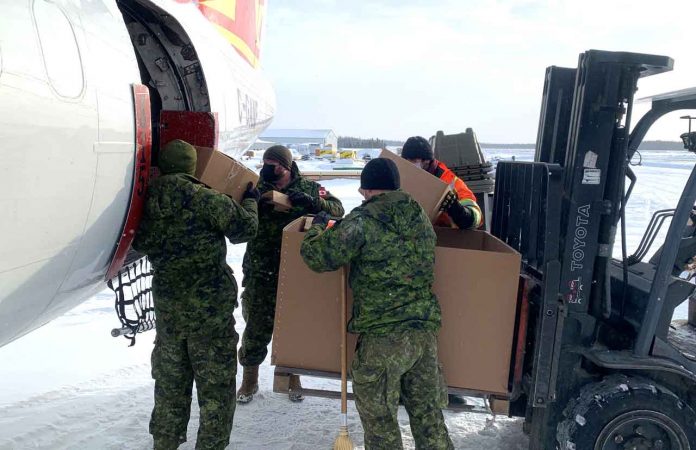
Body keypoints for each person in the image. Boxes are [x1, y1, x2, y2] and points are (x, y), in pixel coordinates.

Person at [300, 158, 454, 450]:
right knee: (429, 421)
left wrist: (317, 227)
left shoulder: (362, 221)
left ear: (366, 190)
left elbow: (319, 256)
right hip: (423, 337)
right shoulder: (418, 215)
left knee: (381, 426)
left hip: (383, 339)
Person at [132, 139, 259, 450]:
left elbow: (141, 243)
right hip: (209, 319)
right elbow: (245, 229)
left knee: (170, 391)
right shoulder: (205, 198)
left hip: (171, 319)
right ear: (192, 168)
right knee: (215, 395)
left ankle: (164, 444)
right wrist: (250, 200)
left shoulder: (147, 203)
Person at [237, 145, 344, 404]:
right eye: (264, 163)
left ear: (287, 166)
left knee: (293, 328)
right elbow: (237, 216)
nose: (267, 169)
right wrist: (252, 204)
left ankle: (292, 377)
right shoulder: (255, 186)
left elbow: (337, 210)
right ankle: (249, 381)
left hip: (295, 272)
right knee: (255, 327)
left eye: (273, 164)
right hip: (260, 269)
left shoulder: (307, 188)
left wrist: (312, 203)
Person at [401, 136, 483, 229]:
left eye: (413, 161)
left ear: (426, 160)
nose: (408, 165)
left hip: (443, 235)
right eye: (405, 161)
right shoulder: (403, 177)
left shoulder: (450, 182)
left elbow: (476, 216)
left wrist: (457, 210)